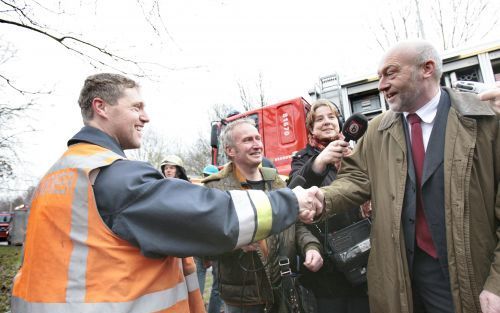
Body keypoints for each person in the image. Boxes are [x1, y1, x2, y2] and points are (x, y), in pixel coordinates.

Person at [10, 73, 323, 313]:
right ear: (101, 107)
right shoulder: (111, 175)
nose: (145, 117)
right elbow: (212, 217)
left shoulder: (56, 175)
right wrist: (291, 201)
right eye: (136, 107)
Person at [320, 40, 499, 313]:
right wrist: (321, 198)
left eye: (390, 74)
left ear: (427, 69)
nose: (381, 85)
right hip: (402, 279)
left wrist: (496, 284)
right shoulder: (377, 130)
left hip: (468, 276)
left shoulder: (484, 121)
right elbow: (355, 178)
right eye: (379, 77)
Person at [202, 118, 323, 313]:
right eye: (248, 140)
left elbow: (295, 223)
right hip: (244, 300)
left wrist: (311, 247)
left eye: (258, 138)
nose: (257, 144)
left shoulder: (275, 179)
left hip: (282, 290)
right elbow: (203, 245)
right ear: (230, 150)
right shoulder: (214, 188)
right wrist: (233, 243)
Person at [288, 99, 370, 313]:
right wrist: (319, 162)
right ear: (311, 128)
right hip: (328, 259)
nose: (326, 122)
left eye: (331, 117)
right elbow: (293, 191)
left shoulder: (357, 154)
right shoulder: (302, 158)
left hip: (364, 250)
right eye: (319, 119)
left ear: (341, 122)